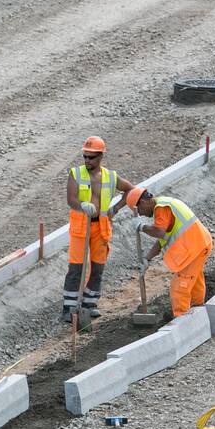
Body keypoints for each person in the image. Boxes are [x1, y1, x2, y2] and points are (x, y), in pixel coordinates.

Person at [61, 136, 136, 323]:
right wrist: (82, 205)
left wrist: (115, 209)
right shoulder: (76, 174)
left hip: (101, 227)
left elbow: (131, 190)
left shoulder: (110, 177)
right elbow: (71, 199)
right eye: (85, 157)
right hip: (81, 226)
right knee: (76, 267)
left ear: (101, 156)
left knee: (98, 267)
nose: (87, 161)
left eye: (91, 157)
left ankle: (89, 304)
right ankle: (69, 307)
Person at [126, 187, 214, 318]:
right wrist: (147, 258)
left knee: (179, 286)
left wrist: (141, 227)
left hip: (194, 248)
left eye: (140, 212)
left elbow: (159, 232)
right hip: (199, 245)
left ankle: (182, 321)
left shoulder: (161, 208)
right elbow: (163, 239)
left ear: (143, 203)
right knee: (194, 282)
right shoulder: (165, 205)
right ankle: (198, 313)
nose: (142, 215)